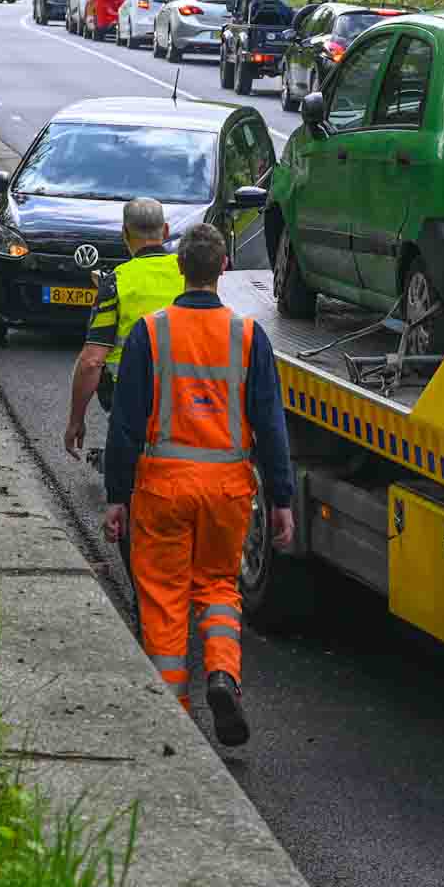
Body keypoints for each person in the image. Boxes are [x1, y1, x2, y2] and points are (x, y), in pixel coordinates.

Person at [101, 222, 294, 747]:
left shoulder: (151, 332)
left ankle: (173, 722)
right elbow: (270, 423)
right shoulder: (249, 336)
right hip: (227, 488)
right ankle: (222, 675)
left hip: (162, 486)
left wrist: (117, 494)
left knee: (164, 596)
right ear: (223, 269)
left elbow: (124, 424)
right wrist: (281, 498)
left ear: (181, 268)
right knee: (218, 586)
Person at [64, 198, 185, 463]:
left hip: (131, 393)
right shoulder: (188, 272)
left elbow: (92, 361)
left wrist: (76, 420)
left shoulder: (116, 281)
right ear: (165, 231)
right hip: (189, 387)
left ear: (124, 234)